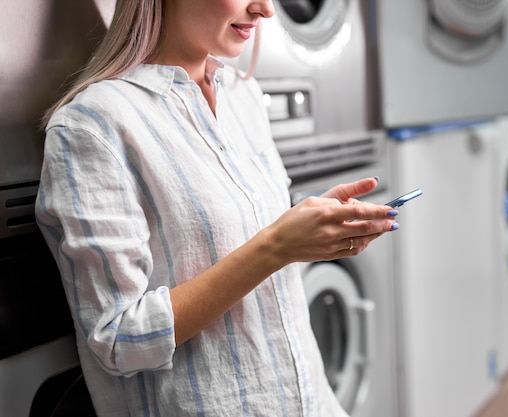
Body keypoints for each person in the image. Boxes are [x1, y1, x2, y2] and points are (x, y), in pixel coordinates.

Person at [35, 0, 399, 415]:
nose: (265, 10)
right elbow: (117, 339)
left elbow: (248, 252)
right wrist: (278, 245)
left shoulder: (243, 96)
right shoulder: (92, 125)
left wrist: (315, 233)